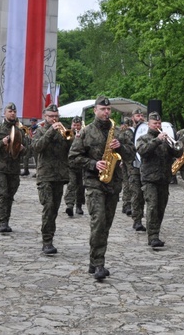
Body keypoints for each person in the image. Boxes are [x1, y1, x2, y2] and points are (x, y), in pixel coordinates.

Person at [69, 96, 134, 280]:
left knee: (106, 224)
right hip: (94, 183)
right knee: (98, 222)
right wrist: (93, 163)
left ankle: (93, 259)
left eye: (108, 109)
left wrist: (120, 148)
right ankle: (99, 264)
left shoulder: (118, 133)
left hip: (113, 184)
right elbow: (73, 158)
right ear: (95, 111)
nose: (106, 112)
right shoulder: (86, 132)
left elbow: (131, 155)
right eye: (102, 109)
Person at [137, 111, 183, 249]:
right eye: (155, 123)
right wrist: (157, 140)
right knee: (152, 206)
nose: (157, 125)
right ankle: (153, 236)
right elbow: (142, 151)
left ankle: (155, 232)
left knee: (160, 207)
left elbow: (178, 152)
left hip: (164, 178)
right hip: (149, 179)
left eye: (159, 123)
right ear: (148, 124)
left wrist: (174, 144)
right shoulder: (143, 138)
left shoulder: (165, 140)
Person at [32, 104, 72, 254]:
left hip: (60, 176)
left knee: (54, 209)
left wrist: (71, 137)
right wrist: (50, 131)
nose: (54, 119)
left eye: (56, 116)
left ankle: (50, 237)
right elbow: (37, 147)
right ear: (45, 117)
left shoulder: (63, 131)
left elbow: (72, 147)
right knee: (48, 207)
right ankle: (47, 241)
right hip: (45, 176)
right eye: (50, 116)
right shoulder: (40, 131)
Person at [0, 102, 30, 233]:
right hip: (1, 168)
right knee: (3, 194)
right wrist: (2, 142)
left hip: (14, 169)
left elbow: (28, 150)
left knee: (10, 195)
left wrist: (22, 149)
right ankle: (2, 221)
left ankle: (6, 219)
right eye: (10, 111)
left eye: (14, 112)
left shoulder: (19, 132)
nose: (12, 113)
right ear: (4, 113)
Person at [129, 109, 147, 232]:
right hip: (133, 167)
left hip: (146, 167)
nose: (140, 117)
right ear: (132, 117)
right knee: (136, 194)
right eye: (137, 115)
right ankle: (137, 220)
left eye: (142, 115)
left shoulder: (146, 131)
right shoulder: (127, 132)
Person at [64, 116, 85, 216]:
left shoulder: (84, 134)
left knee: (81, 186)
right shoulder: (68, 133)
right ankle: (69, 205)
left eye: (78, 125)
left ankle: (79, 205)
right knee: (71, 184)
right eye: (74, 125)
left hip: (82, 165)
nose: (76, 127)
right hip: (70, 164)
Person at [119, 117, 134, 216]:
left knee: (127, 183)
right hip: (128, 161)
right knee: (129, 183)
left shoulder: (124, 133)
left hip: (126, 160)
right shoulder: (132, 133)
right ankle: (127, 205)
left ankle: (126, 205)